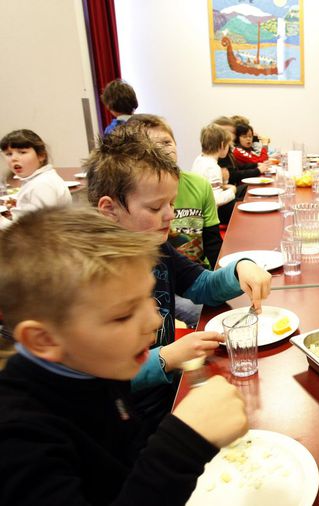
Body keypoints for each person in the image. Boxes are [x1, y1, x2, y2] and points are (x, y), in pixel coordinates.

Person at [0, 206, 249, 505]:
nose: (155, 322)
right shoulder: (18, 440)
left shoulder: (93, 365)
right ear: (44, 339)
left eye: (146, 298)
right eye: (122, 315)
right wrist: (184, 443)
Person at [85, 126, 272, 433]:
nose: (170, 215)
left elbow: (202, 286)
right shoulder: (92, 276)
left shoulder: (156, 247)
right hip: (128, 419)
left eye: (171, 203)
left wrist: (240, 268)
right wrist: (166, 357)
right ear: (109, 209)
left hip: (168, 393)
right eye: (156, 207)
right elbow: (96, 377)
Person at [127, 114, 223, 270]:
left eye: (167, 142)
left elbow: (212, 241)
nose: (164, 149)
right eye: (153, 144)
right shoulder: (135, 194)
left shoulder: (199, 184)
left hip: (197, 272)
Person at [0, 129, 72, 229]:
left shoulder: (43, 185)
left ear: (41, 155)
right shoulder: (39, 179)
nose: (14, 158)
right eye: (8, 154)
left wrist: (2, 221)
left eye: (22, 152)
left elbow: (34, 227)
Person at [191, 124, 238, 225]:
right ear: (222, 145)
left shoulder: (199, 159)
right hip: (210, 216)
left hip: (200, 209)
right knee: (239, 202)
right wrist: (232, 190)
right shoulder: (212, 167)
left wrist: (225, 183)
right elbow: (216, 200)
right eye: (228, 145)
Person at [214, 116, 265, 194]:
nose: (231, 136)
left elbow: (238, 167)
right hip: (228, 191)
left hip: (230, 189)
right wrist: (257, 170)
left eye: (232, 133)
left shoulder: (227, 150)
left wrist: (256, 165)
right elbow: (232, 175)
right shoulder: (221, 152)